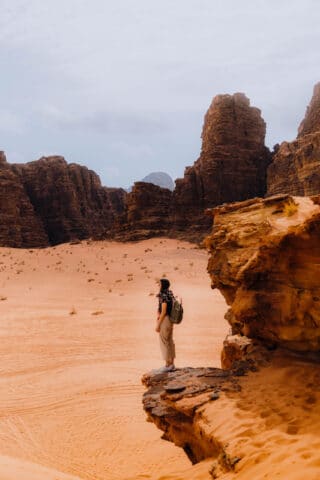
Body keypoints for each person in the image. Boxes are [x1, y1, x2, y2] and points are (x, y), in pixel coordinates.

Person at [155, 278, 176, 372]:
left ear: (163, 285)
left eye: (159, 284)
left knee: (164, 341)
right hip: (170, 320)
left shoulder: (163, 295)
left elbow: (163, 312)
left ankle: (168, 364)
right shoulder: (170, 294)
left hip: (165, 320)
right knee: (170, 341)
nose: (158, 286)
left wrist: (158, 325)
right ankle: (172, 364)